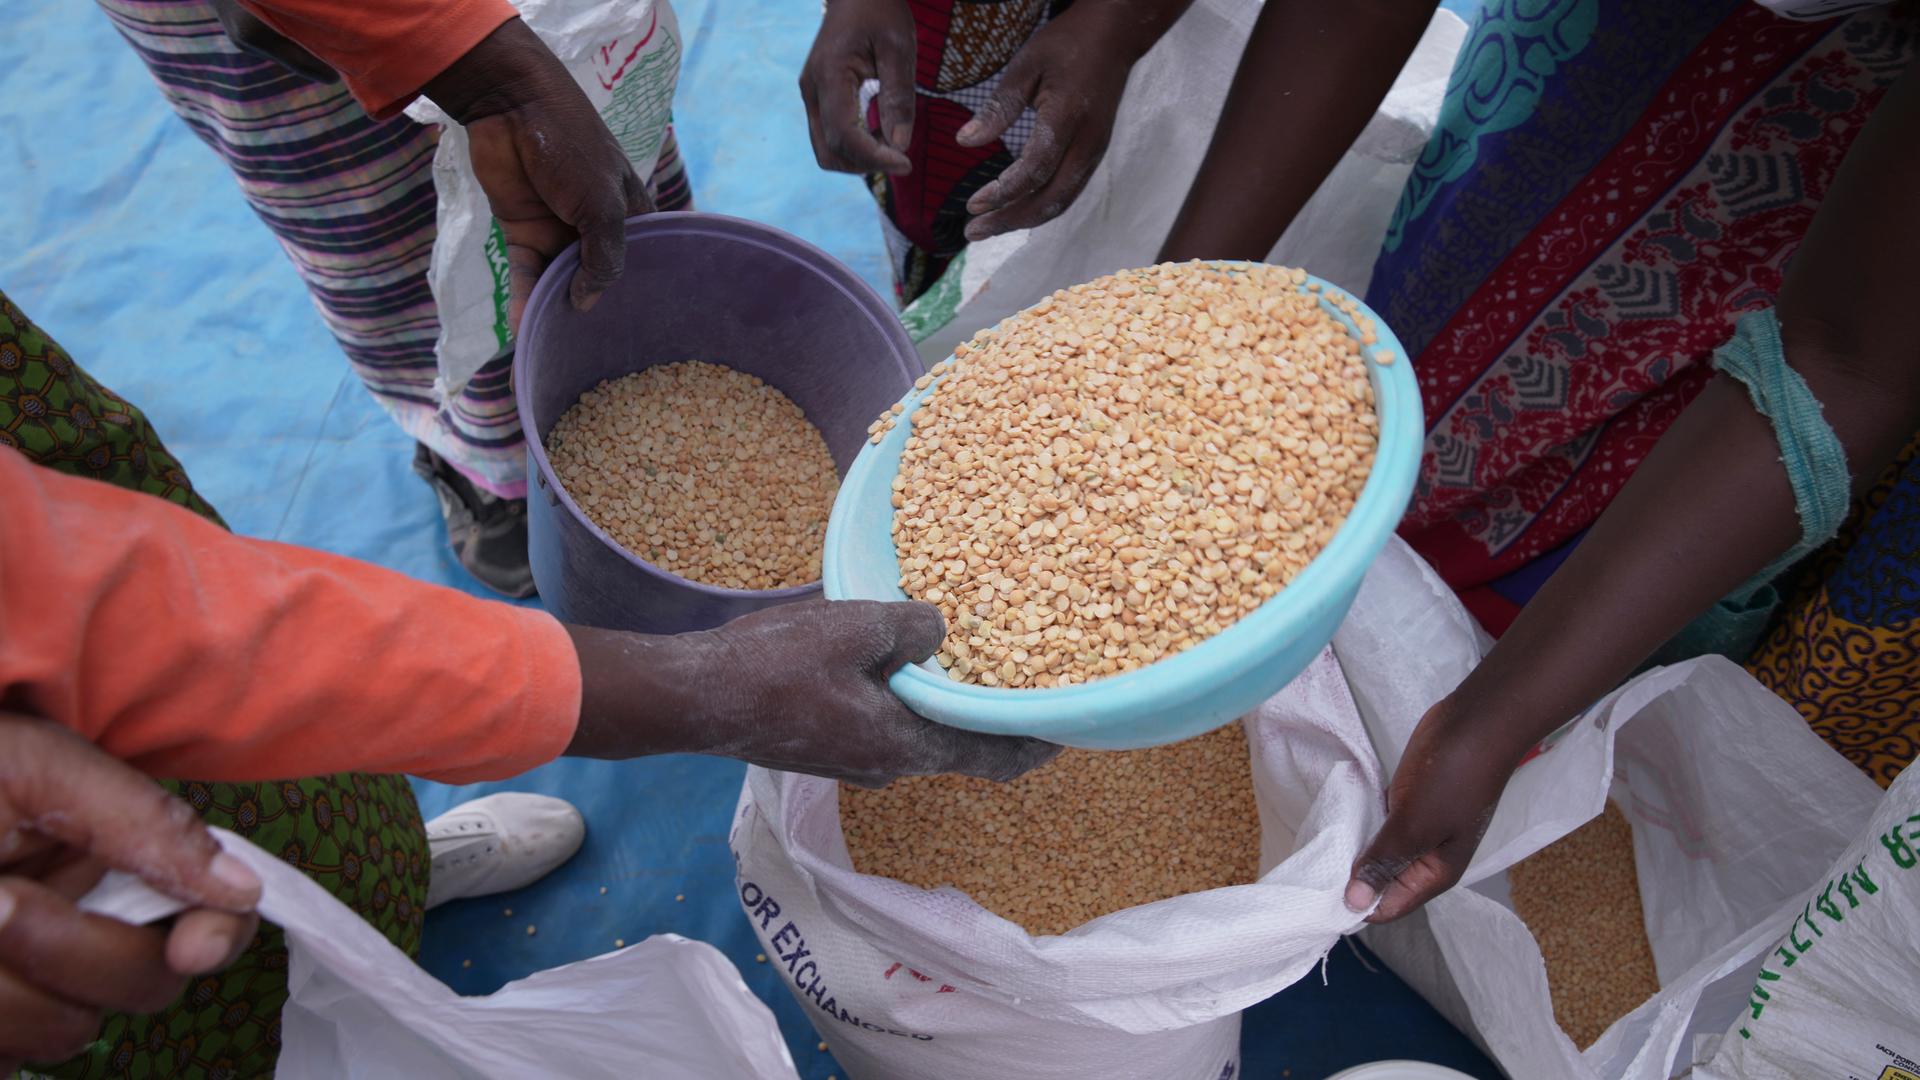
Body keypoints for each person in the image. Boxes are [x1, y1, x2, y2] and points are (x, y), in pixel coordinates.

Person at [1157, 0, 1919, 921]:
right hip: (1560, 92)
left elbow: (1843, 358)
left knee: (1509, 607)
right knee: (1396, 401)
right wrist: (1155, 331)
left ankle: (1442, 695)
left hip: (1784, 239)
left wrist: (1486, 724)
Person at [98, 0, 694, 597]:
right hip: (300, 54)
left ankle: (647, 409)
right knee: (395, 250)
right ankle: (492, 466)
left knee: (591, 169)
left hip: (521, 42)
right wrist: (498, 82)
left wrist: (511, 87)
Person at [798, 0, 1199, 305]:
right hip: (913, 30)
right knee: (920, 212)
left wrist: (1114, 26)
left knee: (1084, 206)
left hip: (1105, 30)